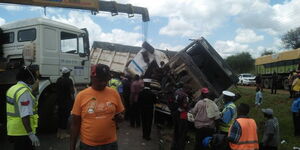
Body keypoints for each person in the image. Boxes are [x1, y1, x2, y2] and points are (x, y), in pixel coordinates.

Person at [70, 64, 125, 150]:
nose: (103, 83)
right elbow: (75, 124)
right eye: (100, 80)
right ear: (92, 77)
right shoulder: (81, 96)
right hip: (88, 145)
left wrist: (120, 118)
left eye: (106, 80)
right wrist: (72, 147)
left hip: (110, 144)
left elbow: (121, 113)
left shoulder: (114, 93)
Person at [6, 66, 40, 150]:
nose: (36, 80)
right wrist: (31, 134)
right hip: (23, 132)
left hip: (13, 129)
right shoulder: (24, 93)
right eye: (35, 77)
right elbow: (25, 115)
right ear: (29, 79)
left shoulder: (12, 88)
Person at [56, 67, 75, 139]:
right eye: (69, 72)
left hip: (59, 101)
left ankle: (59, 133)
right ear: (67, 73)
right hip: (66, 102)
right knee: (65, 117)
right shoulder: (69, 80)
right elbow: (72, 92)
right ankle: (63, 134)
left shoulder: (58, 80)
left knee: (60, 116)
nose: (70, 73)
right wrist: (73, 101)